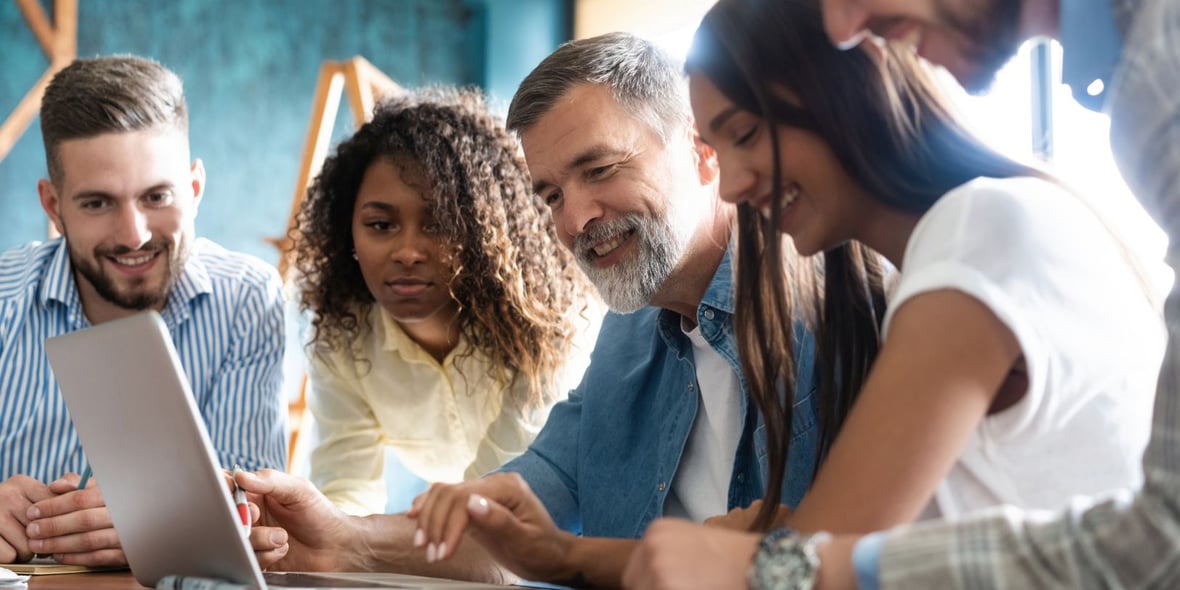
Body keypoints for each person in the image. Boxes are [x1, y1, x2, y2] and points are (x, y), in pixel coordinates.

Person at [234, 33, 824, 585]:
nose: (574, 222)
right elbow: (507, 526)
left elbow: (842, 558)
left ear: (701, 151)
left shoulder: (829, 302)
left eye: (600, 170)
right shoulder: (624, 338)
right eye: (551, 195)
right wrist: (343, 539)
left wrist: (565, 556)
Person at [620, 0, 1173, 588]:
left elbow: (799, 571)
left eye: (747, 133)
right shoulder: (945, 253)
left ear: (845, 88)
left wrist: (764, 557)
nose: (731, 183)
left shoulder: (976, 233)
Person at [0, 56, 287, 567]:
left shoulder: (249, 298)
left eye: (157, 196)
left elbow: (255, 515)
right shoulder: (3, 297)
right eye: (97, 204)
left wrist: (161, 525)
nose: (134, 234)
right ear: (53, 207)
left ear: (194, 190)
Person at [292, 88, 598, 516]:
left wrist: (374, 541)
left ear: (480, 233)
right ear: (349, 236)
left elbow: (500, 494)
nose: (408, 251)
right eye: (381, 225)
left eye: (438, 224)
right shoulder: (343, 337)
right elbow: (346, 488)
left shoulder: (541, 325)